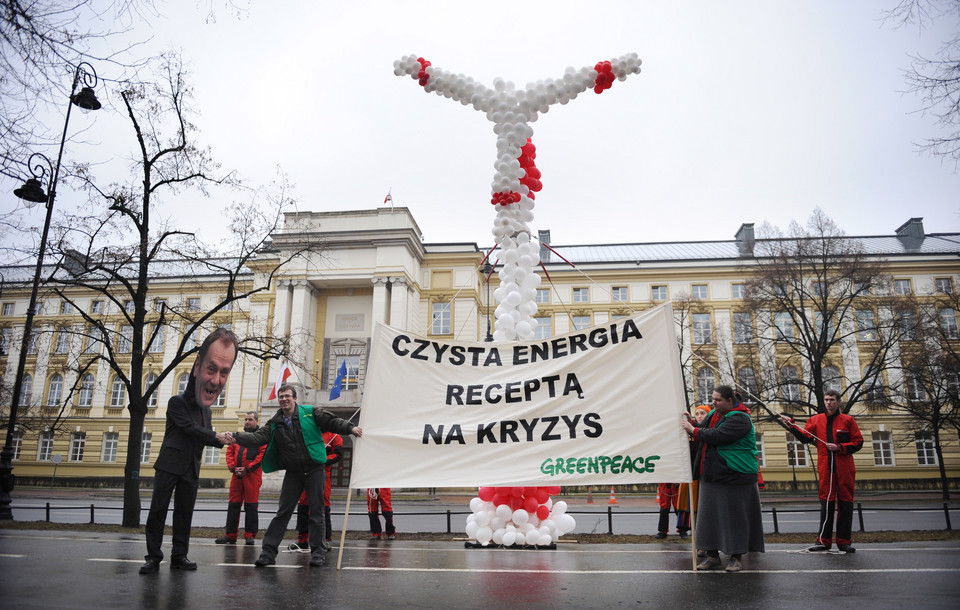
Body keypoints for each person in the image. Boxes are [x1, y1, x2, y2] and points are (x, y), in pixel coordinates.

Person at [140, 328, 238, 574]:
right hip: (169, 465)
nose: (213, 383)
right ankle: (153, 557)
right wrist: (215, 435)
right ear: (196, 372)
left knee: (184, 514)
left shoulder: (206, 410)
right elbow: (190, 429)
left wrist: (225, 439)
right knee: (158, 513)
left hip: (191, 468)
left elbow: (206, 435)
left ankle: (179, 556)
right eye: (209, 371)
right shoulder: (176, 403)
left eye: (222, 373)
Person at [231, 384, 362, 568]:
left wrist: (350, 428)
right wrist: (234, 437)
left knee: (316, 512)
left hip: (315, 469)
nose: (284, 399)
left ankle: (318, 553)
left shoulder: (309, 412)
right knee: (283, 512)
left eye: (287, 396)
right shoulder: (275, 421)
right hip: (294, 473)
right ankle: (268, 553)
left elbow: (331, 421)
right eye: (281, 397)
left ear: (294, 399)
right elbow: (258, 438)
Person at [681, 385, 764, 572]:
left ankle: (736, 557)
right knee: (708, 518)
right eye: (713, 398)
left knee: (736, 518)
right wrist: (691, 423)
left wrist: (692, 430)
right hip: (713, 474)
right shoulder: (714, 415)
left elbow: (716, 436)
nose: (713, 402)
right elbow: (702, 428)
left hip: (736, 475)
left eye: (718, 400)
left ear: (729, 400)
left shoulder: (741, 418)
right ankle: (712, 556)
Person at [780, 389, 863, 553]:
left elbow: (858, 443)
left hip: (845, 468)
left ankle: (844, 541)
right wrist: (790, 424)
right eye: (826, 400)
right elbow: (805, 437)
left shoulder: (848, 420)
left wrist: (839, 447)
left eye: (832, 399)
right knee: (827, 502)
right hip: (826, 467)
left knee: (846, 504)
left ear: (838, 401)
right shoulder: (815, 420)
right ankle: (823, 541)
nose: (829, 402)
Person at [216, 411, 266, 545]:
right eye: (246, 420)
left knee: (251, 506)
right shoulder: (237, 437)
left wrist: (247, 469)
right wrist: (233, 468)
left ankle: (250, 535)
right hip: (237, 475)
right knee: (233, 505)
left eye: (250, 419)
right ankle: (230, 535)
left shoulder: (261, 437)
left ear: (256, 421)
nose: (247, 422)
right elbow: (229, 453)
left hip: (252, 475)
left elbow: (261, 456)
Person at [289, 431, 343, 552]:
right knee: (303, 504)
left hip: (323, 473)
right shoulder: (308, 433)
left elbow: (338, 455)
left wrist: (321, 460)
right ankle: (302, 539)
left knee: (323, 505)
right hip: (306, 472)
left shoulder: (335, 436)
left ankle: (325, 539)